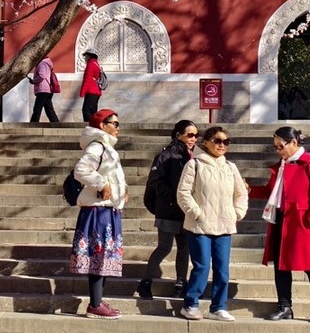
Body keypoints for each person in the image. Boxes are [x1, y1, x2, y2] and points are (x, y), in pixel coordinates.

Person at [249, 126, 310, 324]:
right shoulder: (282, 165)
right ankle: (284, 306)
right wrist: (248, 190)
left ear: (294, 143)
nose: (278, 150)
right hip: (282, 220)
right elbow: (270, 192)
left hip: (303, 222)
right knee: (280, 265)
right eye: (276, 147)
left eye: (281, 146)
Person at [175, 125, 248, 322]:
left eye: (226, 142)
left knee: (222, 269)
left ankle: (218, 307)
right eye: (217, 141)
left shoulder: (231, 167)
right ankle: (190, 304)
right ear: (206, 143)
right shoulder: (194, 165)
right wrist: (196, 212)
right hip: (200, 225)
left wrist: (237, 213)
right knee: (201, 266)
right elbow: (183, 193)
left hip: (224, 225)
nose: (222, 145)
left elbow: (241, 193)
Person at [68, 108, 129, 319]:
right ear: (102, 126)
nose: (118, 128)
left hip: (108, 209)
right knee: (99, 255)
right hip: (98, 210)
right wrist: (102, 184)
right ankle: (95, 304)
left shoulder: (107, 148)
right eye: (115, 123)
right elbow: (81, 170)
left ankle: (98, 300)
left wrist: (122, 194)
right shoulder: (97, 146)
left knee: (105, 256)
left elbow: (112, 174)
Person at [136, 119, 197, 300]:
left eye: (196, 135)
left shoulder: (194, 156)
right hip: (169, 209)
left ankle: (181, 283)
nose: (193, 139)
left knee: (184, 248)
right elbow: (156, 181)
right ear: (178, 135)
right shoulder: (167, 155)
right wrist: (171, 197)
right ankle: (145, 282)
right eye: (190, 135)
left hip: (186, 209)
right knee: (164, 247)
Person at [29, 55, 60, 123]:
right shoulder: (47, 64)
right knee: (49, 110)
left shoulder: (41, 64)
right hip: (48, 89)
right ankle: (56, 124)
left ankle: (33, 125)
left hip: (42, 89)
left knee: (37, 109)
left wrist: (33, 81)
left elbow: (42, 76)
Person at [79, 48, 104, 122]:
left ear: (89, 56)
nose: (85, 57)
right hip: (96, 91)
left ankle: (90, 127)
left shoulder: (90, 64)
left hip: (91, 91)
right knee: (93, 111)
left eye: (86, 55)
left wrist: (82, 92)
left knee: (86, 109)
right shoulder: (96, 64)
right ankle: (95, 126)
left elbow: (87, 79)